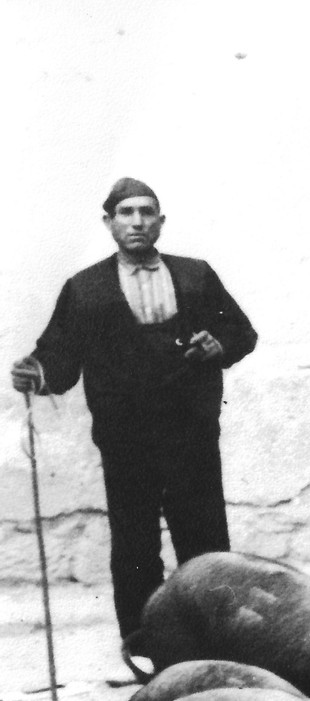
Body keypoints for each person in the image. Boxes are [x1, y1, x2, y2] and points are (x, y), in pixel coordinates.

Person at [10, 177, 257, 638]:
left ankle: (216, 643)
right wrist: (36, 373)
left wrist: (218, 345)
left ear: (161, 221)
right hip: (125, 437)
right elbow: (59, 358)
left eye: (147, 212)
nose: (138, 221)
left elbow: (241, 332)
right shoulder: (85, 290)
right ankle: (146, 643)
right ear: (109, 223)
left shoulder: (196, 276)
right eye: (126, 213)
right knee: (135, 545)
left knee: (205, 538)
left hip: (191, 430)